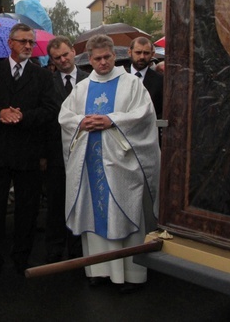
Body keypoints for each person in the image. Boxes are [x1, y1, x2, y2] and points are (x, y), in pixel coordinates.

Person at [59, 35, 160, 292]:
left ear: (115, 56)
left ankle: (130, 274)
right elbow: (65, 116)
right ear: (89, 60)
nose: (102, 63)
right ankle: (99, 270)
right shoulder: (82, 87)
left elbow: (144, 115)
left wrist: (111, 120)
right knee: (93, 215)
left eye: (107, 57)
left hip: (121, 167)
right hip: (91, 166)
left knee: (122, 215)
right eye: (97, 59)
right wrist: (81, 122)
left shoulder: (131, 84)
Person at [0, 23, 59, 278]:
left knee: (27, 209)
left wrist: (22, 117)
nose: (27, 46)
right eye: (22, 41)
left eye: (30, 42)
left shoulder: (42, 75)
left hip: (29, 152)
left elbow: (49, 110)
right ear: (10, 43)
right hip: (0, 152)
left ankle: (21, 258)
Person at [45, 36, 88, 263]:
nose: (63, 60)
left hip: (84, 152)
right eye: (57, 58)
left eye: (65, 54)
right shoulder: (46, 82)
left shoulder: (90, 79)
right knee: (56, 201)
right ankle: (55, 245)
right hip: (54, 153)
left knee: (81, 200)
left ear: (73, 51)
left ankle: (78, 245)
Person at [126, 37, 163, 119]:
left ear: (152, 54)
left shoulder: (160, 81)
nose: (142, 57)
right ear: (129, 52)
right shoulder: (120, 76)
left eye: (146, 53)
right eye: (138, 53)